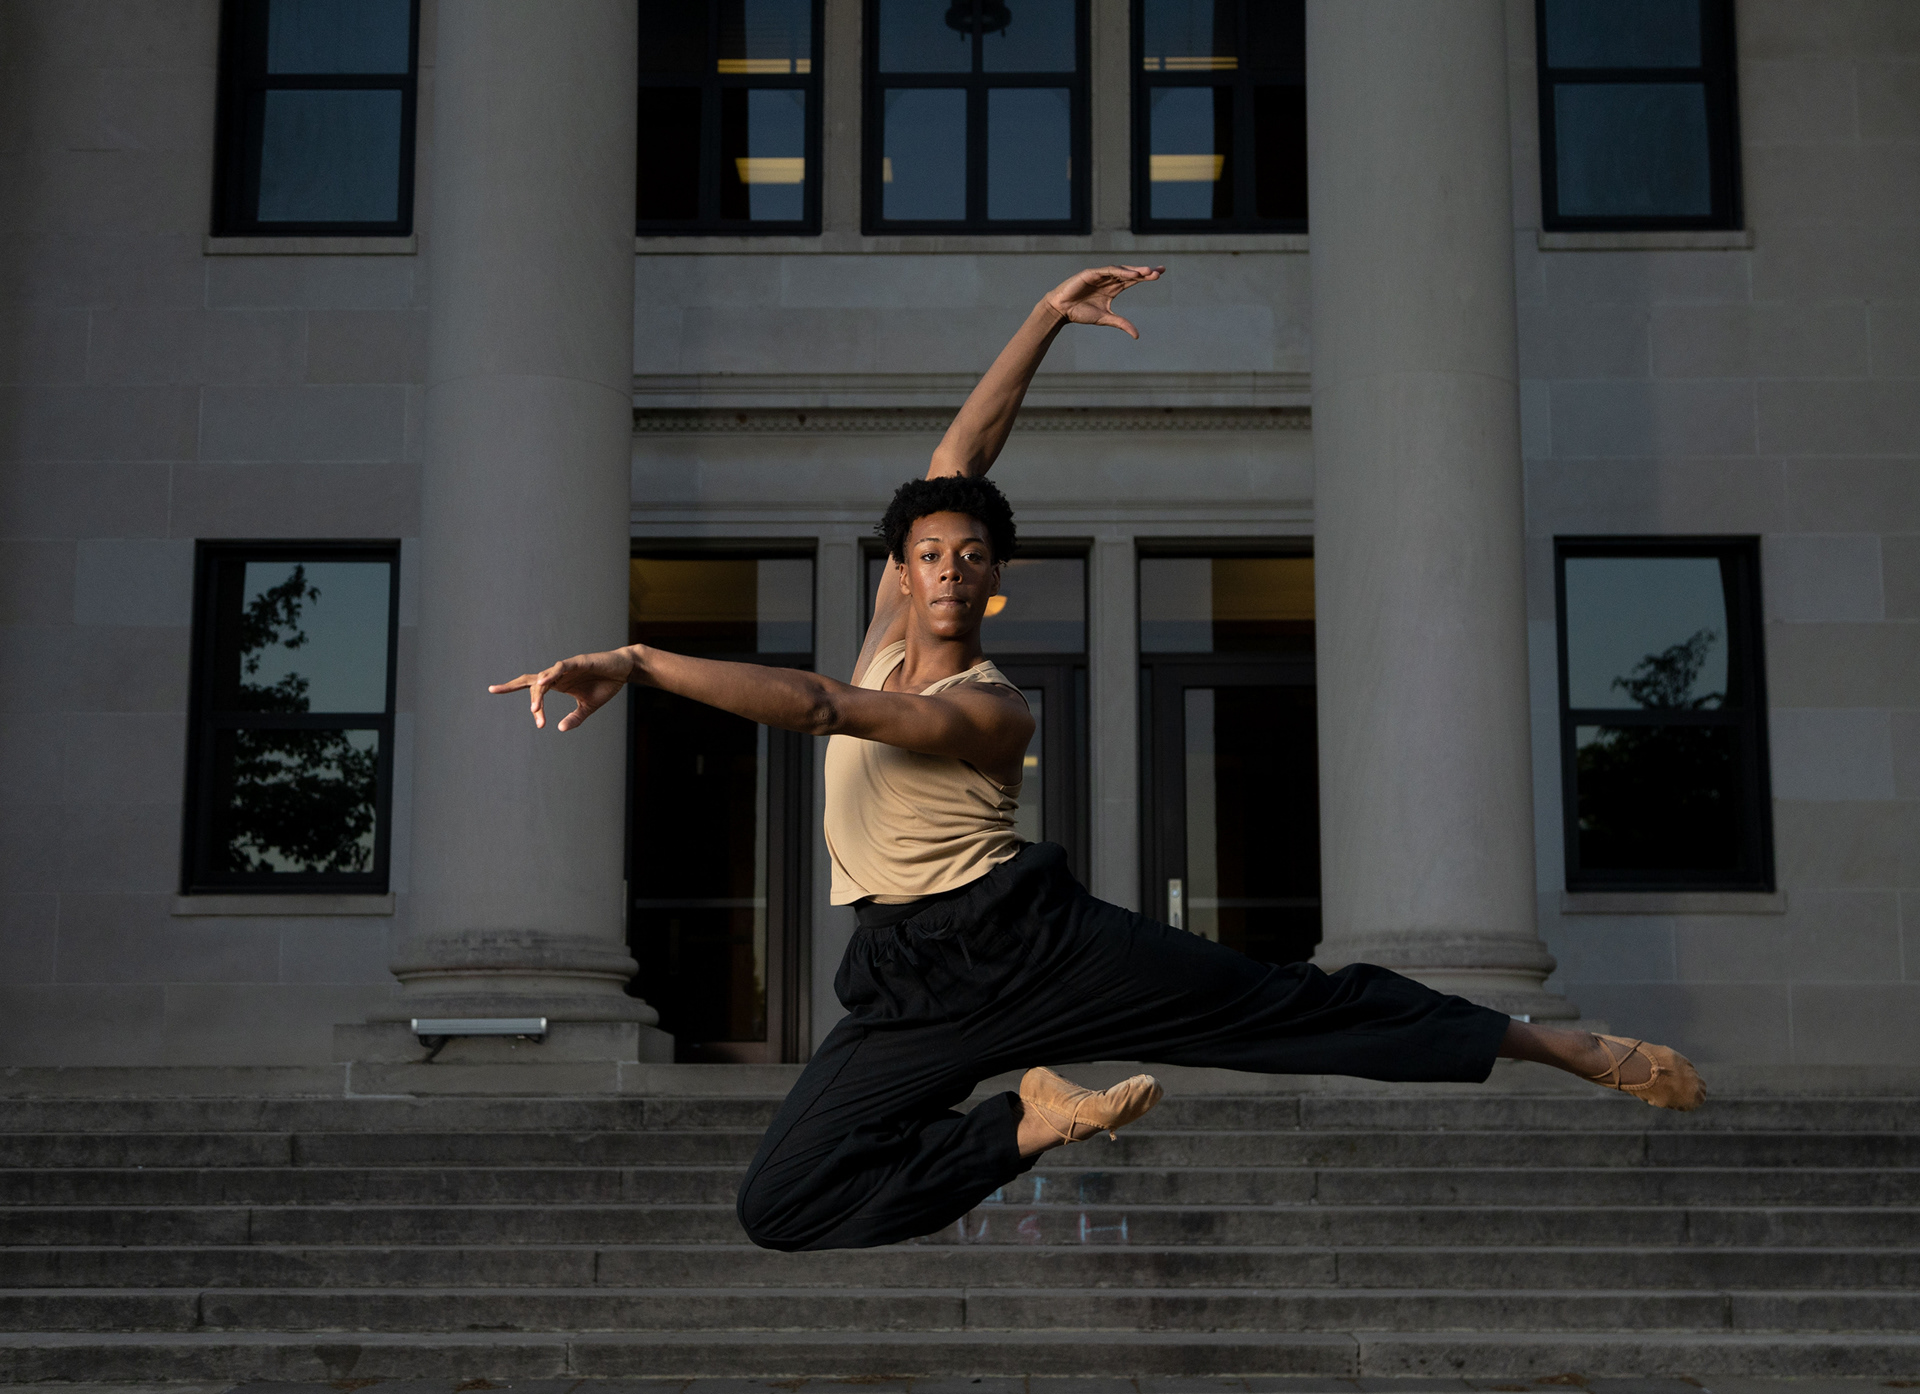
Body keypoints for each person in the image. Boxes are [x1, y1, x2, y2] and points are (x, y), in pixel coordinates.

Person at [489, 265, 1706, 1254]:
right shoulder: (883, 624)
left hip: (1031, 941)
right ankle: (1020, 1123)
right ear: (900, 568)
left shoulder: (989, 705)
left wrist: (641, 661)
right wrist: (1040, 321)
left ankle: (1553, 1043)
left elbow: (817, 709)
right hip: (906, 971)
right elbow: (965, 447)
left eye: (973, 556)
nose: (951, 567)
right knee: (782, 1203)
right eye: (931, 552)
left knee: (1287, 1005)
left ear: (993, 580)